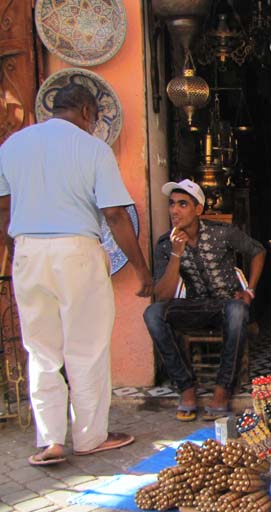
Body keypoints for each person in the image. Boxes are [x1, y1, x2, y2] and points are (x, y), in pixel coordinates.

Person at [0, 83, 153, 466]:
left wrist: (13, 250)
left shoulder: (13, 146)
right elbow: (116, 215)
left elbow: (4, 208)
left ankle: (50, 441)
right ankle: (90, 437)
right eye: (96, 117)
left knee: (40, 349)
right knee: (86, 347)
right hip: (76, 251)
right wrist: (141, 269)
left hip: (28, 250)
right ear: (86, 110)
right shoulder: (93, 149)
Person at [144, 179, 265, 421]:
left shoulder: (222, 232)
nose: (174, 210)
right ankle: (186, 386)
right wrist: (176, 255)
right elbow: (163, 295)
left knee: (237, 310)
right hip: (195, 307)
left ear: (198, 209)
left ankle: (222, 391)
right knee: (153, 313)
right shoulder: (165, 244)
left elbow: (258, 250)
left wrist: (249, 291)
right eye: (171, 204)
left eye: (182, 204)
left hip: (227, 306)